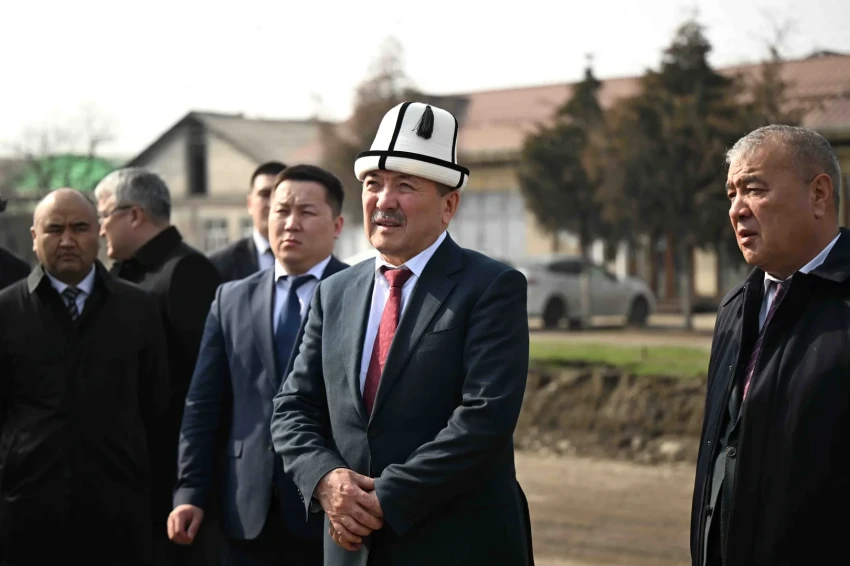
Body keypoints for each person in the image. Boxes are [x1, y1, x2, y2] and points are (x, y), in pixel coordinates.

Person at [270, 102, 535, 566]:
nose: (384, 200)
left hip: (456, 544)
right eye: (373, 183)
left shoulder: (491, 287)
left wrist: (384, 498)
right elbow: (293, 406)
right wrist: (326, 480)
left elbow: (484, 419)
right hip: (351, 546)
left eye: (406, 186)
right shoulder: (335, 292)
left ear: (449, 205)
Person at [169, 164, 348, 566]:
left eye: (306, 212)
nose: (290, 223)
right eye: (281, 210)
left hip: (329, 507)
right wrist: (190, 491)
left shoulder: (360, 293)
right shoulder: (231, 299)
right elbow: (203, 404)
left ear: (337, 225)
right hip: (245, 503)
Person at [691, 125, 850, 565]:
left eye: (754, 190)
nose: (737, 210)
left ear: (819, 195)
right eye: (731, 194)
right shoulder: (736, 307)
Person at [0, 188, 169, 564]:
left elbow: (157, 409)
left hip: (120, 511)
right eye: (54, 229)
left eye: (79, 228)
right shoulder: (8, 310)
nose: (67, 240)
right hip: (27, 512)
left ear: (98, 232)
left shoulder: (138, 308)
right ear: (34, 237)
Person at [94, 168, 222, 565]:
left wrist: (189, 484)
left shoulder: (186, 271)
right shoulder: (125, 274)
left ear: (134, 215)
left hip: (167, 479)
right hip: (126, 472)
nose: (100, 229)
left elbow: (200, 386)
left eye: (103, 216)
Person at [209, 161, 288, 282]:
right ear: (250, 203)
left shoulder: (313, 259)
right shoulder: (219, 264)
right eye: (264, 194)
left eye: (278, 195)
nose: (271, 203)